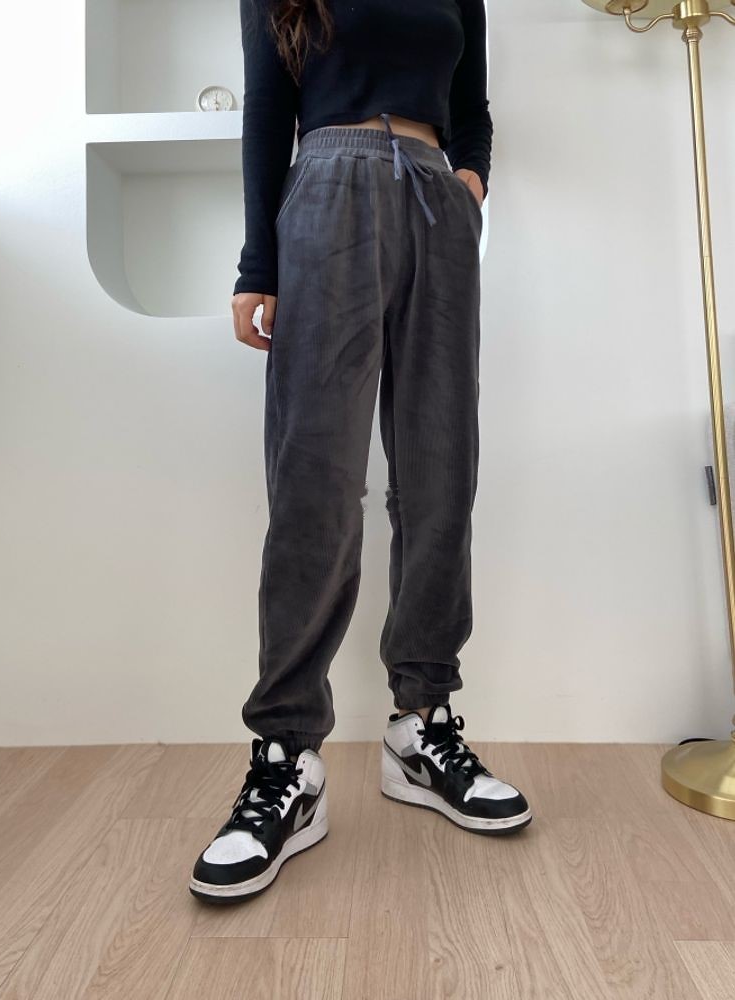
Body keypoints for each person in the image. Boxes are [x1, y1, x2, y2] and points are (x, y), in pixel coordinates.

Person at [188, 0, 532, 905]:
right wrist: (256, 265)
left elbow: (473, 105)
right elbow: (269, 110)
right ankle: (286, 756)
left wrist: (468, 181)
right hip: (327, 189)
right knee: (316, 481)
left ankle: (422, 726)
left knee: (440, 473)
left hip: (437, 202)